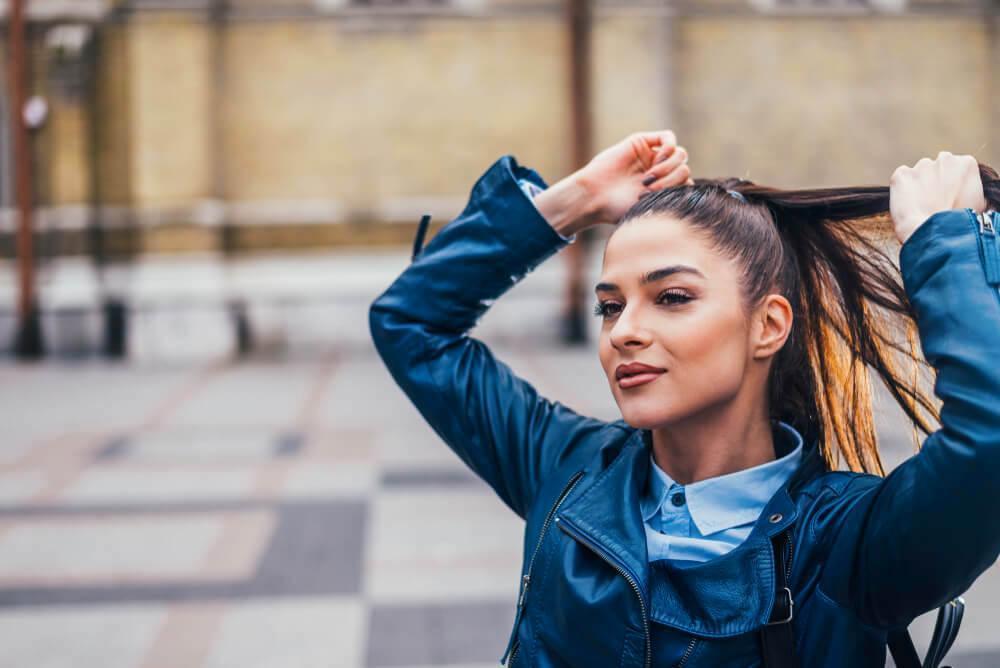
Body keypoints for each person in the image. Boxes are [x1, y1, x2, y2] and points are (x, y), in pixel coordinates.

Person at [369, 130, 1000, 667]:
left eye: (672, 297)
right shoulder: (568, 471)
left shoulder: (846, 543)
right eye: (610, 306)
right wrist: (574, 202)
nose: (625, 331)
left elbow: (989, 441)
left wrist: (944, 246)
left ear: (768, 326)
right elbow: (411, 324)